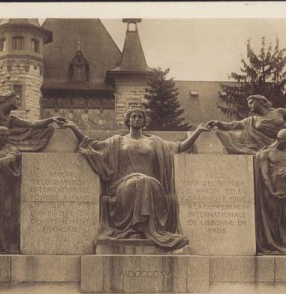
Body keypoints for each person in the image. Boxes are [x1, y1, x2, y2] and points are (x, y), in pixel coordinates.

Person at [61, 104, 210, 250]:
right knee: (140, 181)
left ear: (144, 121)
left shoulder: (155, 142)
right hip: (123, 187)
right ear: (128, 120)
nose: (137, 119)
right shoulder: (116, 141)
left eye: (140, 117)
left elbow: (180, 147)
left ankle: (141, 229)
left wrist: (198, 132)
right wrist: (74, 128)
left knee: (145, 181)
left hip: (153, 187)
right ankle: (136, 229)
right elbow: (93, 145)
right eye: (134, 116)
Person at [208, 94, 286, 155]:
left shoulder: (279, 111)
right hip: (275, 144)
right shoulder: (251, 121)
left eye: (251, 102)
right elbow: (233, 125)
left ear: (261, 102)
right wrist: (218, 123)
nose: (249, 105)